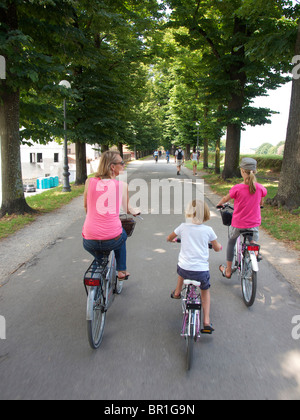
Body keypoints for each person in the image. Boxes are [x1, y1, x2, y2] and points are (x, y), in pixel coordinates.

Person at [167, 200, 222, 334]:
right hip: (201, 272)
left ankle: (177, 293)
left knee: (182, 269)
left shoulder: (183, 227)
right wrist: (218, 247)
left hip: (184, 269)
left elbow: (169, 237)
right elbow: (216, 248)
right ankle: (206, 321)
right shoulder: (209, 230)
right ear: (206, 214)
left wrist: (172, 239)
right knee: (205, 291)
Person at [82, 150, 139, 281]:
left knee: (100, 257)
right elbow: (128, 209)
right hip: (112, 239)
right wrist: (136, 211)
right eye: (122, 163)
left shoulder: (89, 182)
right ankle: (121, 270)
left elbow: (86, 206)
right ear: (112, 167)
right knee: (122, 236)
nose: (124, 165)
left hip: (89, 239)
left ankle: (100, 263)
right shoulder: (122, 185)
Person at [217, 158, 267, 279]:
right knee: (252, 240)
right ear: (254, 171)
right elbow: (261, 201)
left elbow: (225, 198)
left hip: (238, 223)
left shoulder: (237, 188)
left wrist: (219, 204)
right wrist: (260, 205)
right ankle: (255, 251)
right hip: (254, 223)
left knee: (231, 241)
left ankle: (228, 270)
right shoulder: (260, 188)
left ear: (242, 171)